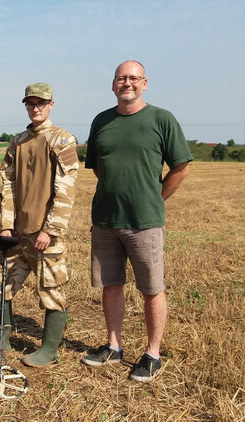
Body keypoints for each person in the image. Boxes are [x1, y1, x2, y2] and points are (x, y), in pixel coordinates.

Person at [81, 61, 192, 382]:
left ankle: (152, 354)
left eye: (132, 78)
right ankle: (113, 346)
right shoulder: (102, 120)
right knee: (110, 285)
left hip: (145, 222)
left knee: (151, 289)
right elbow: (99, 168)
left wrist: (155, 199)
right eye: (120, 78)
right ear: (113, 85)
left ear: (144, 83)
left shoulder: (161, 119)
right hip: (105, 219)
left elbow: (181, 167)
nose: (126, 83)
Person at [0, 83, 79, 367]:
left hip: (45, 235)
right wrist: (7, 225)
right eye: (31, 103)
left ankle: (49, 350)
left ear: (51, 105)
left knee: (51, 291)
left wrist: (50, 229)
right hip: (17, 234)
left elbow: (65, 189)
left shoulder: (62, 140)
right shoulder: (17, 141)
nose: (36, 108)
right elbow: (8, 185)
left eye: (41, 103)